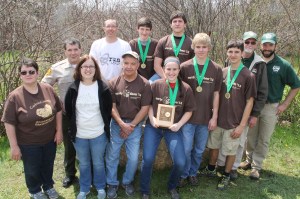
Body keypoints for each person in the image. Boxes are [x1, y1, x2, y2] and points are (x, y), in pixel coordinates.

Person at [241, 33, 300, 180]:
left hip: (270, 107)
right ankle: (248, 161)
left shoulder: (283, 65)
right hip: (252, 105)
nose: (267, 48)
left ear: (275, 46)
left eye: (270, 45)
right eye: (265, 44)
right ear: (260, 45)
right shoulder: (254, 61)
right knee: (250, 136)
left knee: (264, 138)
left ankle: (256, 167)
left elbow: (296, 85)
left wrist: (285, 104)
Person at [2, 58, 63, 199]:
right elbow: (9, 122)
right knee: (32, 169)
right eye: (24, 72)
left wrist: (59, 131)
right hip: (28, 142)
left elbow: (58, 110)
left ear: (37, 73)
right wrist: (14, 146)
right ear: (20, 75)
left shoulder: (47, 89)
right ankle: (34, 190)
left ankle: (48, 186)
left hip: (49, 139)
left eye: (31, 71)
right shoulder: (15, 97)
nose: (28, 74)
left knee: (48, 165)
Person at [203, 40, 256, 190]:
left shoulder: (248, 76)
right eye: (230, 52)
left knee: (231, 150)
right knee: (214, 146)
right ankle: (211, 169)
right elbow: (216, 95)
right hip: (219, 119)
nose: (233, 55)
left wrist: (241, 125)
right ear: (227, 53)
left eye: (236, 52)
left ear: (242, 54)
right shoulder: (222, 72)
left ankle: (226, 175)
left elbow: (250, 102)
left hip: (235, 122)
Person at [140, 56, 196, 199]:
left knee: (180, 162)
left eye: (174, 69)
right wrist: (152, 119)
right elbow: (148, 106)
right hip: (154, 127)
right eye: (168, 69)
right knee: (147, 158)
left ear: (179, 70)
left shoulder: (186, 88)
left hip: (173, 129)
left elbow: (189, 111)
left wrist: (179, 124)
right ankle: (144, 190)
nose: (171, 72)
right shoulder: (155, 85)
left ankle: (172, 186)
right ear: (163, 69)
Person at [217, 31, 268, 180]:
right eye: (247, 42)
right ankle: (222, 165)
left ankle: (232, 168)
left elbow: (261, 91)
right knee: (227, 139)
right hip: (228, 110)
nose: (250, 45)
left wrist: (255, 114)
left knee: (239, 141)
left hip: (245, 110)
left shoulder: (259, 63)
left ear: (256, 45)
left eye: (253, 42)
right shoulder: (229, 62)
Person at [64, 55, 112, 199]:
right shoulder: (73, 88)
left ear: (95, 69)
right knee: (84, 164)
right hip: (79, 135)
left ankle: (100, 187)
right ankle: (84, 189)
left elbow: (108, 110)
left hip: (98, 134)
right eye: (85, 66)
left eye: (91, 66)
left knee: (98, 163)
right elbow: (69, 110)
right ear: (79, 69)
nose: (88, 69)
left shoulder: (103, 88)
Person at [105, 51, 151, 199]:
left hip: (135, 126)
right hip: (117, 124)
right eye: (126, 63)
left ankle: (127, 181)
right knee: (112, 155)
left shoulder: (145, 84)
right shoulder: (113, 82)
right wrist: (120, 124)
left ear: (138, 64)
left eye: (132, 63)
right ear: (121, 64)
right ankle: (112, 183)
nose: (129, 66)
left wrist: (131, 126)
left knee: (132, 158)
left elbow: (145, 108)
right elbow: (111, 106)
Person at [179, 33, 222, 187]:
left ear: (209, 48)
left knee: (198, 150)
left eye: (204, 47)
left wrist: (214, 117)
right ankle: (184, 174)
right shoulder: (185, 67)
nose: (201, 50)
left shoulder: (216, 69)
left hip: (205, 118)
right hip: (187, 118)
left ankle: (193, 173)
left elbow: (217, 94)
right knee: (186, 149)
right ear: (193, 48)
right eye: (198, 47)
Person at [41, 38, 82, 188]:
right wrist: (56, 102)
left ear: (80, 50)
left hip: (88, 114)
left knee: (89, 143)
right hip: (67, 114)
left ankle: (89, 173)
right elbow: (44, 85)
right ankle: (70, 174)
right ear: (65, 51)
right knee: (69, 145)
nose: (73, 52)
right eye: (69, 50)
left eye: (75, 49)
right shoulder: (57, 68)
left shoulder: (89, 65)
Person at [150, 10, 194, 83]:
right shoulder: (163, 41)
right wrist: (166, 78)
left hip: (183, 77)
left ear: (185, 24)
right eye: (174, 21)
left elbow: (193, 66)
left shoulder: (191, 43)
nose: (177, 24)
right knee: (149, 84)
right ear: (171, 24)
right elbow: (156, 65)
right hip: (165, 75)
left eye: (180, 21)